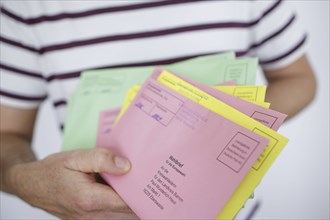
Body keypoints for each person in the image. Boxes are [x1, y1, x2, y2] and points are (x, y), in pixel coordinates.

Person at [0, 1, 316, 219]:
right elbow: (6, 134)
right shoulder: (24, 8)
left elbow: (299, 79)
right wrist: (24, 180)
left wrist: (223, 130)